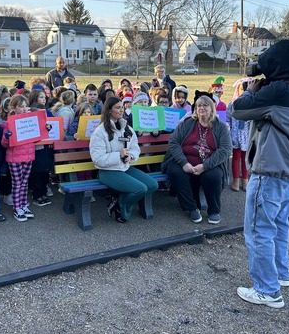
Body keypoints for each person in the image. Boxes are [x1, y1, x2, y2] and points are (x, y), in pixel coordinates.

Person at [232, 39, 289, 309]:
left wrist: (249, 91)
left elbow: (238, 111)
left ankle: (267, 290)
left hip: (269, 171)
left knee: (257, 230)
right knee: (278, 225)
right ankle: (281, 274)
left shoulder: (278, 90)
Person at [162, 95, 232, 224]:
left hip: (209, 162)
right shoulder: (188, 123)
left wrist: (204, 166)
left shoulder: (220, 126)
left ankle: (214, 210)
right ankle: (192, 208)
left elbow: (226, 149)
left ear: (212, 108)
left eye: (205, 105)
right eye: (199, 105)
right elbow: (173, 142)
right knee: (176, 172)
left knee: (213, 176)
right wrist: (184, 163)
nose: (202, 108)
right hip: (184, 160)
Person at [89, 96, 158, 223]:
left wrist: (130, 156)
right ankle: (122, 206)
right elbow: (97, 159)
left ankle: (119, 200)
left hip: (125, 167)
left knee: (152, 185)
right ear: (109, 110)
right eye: (117, 108)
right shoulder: (100, 132)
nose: (121, 110)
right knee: (140, 188)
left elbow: (135, 148)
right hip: (107, 171)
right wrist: (119, 155)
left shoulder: (127, 128)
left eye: (122, 107)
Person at [2, 95, 36, 222]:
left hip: (29, 155)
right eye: (21, 106)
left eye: (26, 106)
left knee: (25, 182)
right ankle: (17, 208)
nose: (24, 108)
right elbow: (4, 144)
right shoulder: (9, 122)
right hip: (15, 157)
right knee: (17, 183)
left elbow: (36, 138)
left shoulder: (31, 120)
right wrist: (7, 136)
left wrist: (45, 129)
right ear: (13, 107)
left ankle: (23, 204)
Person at [226, 78, 252, 192]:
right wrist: (229, 130)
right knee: (236, 157)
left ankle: (245, 179)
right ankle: (236, 179)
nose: (243, 91)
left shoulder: (252, 104)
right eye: (242, 89)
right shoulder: (232, 104)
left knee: (245, 158)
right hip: (236, 134)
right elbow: (228, 119)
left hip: (246, 135)